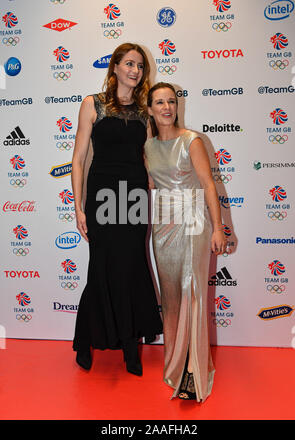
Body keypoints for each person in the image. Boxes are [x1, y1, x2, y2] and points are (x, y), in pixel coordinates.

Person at [71, 43, 163, 376]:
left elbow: (148, 154)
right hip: (102, 196)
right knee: (101, 266)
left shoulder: (144, 109)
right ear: (115, 68)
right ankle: (85, 341)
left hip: (134, 195)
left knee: (132, 266)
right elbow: (79, 159)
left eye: (140, 65)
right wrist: (78, 206)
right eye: (129, 64)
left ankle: (130, 345)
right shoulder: (92, 104)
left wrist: (154, 177)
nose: (135, 70)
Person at [144, 82, 227, 401]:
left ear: (177, 106)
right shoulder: (148, 147)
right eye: (159, 102)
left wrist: (218, 227)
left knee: (193, 292)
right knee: (172, 297)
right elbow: (151, 183)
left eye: (171, 101)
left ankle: (193, 371)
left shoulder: (191, 141)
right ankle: (175, 365)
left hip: (193, 222)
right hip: (163, 225)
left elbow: (208, 185)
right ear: (149, 109)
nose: (166, 107)